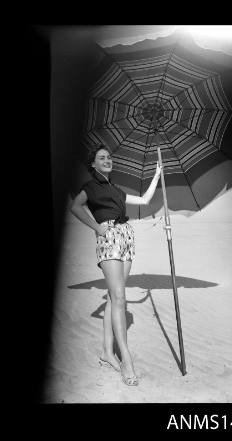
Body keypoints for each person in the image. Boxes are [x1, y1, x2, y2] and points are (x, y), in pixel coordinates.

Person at [70, 144, 162, 386]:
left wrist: (157, 175)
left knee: (113, 298)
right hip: (108, 236)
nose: (107, 160)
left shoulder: (117, 190)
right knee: (119, 298)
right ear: (93, 164)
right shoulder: (89, 188)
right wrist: (97, 227)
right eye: (102, 157)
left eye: (109, 157)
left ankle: (106, 353)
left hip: (126, 238)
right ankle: (127, 360)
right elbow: (75, 207)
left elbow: (144, 198)